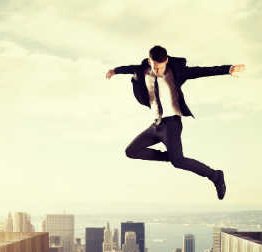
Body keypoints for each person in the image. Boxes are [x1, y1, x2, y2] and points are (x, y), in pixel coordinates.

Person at [105, 45, 245, 200]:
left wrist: (227, 69)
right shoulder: (142, 70)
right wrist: (115, 71)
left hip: (172, 124)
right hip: (155, 125)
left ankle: (215, 176)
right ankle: (172, 156)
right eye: (154, 67)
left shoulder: (177, 72)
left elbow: (202, 71)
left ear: (166, 60)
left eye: (160, 68)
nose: (157, 71)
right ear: (149, 61)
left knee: (178, 162)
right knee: (131, 151)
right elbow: (130, 68)